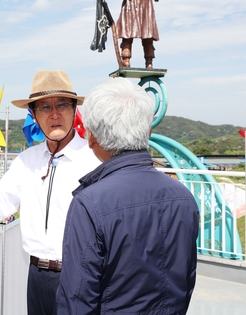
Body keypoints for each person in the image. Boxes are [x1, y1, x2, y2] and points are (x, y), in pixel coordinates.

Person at [0, 70, 101, 315]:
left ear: (74, 110)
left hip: (81, 275)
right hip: (36, 276)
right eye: (45, 107)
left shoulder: (94, 160)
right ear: (34, 115)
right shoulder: (27, 160)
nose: (55, 114)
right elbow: (2, 199)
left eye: (62, 105)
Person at [56, 78, 199, 315]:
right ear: (148, 130)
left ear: (91, 137)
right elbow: (187, 276)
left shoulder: (90, 202)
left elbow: (78, 297)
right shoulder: (183, 195)